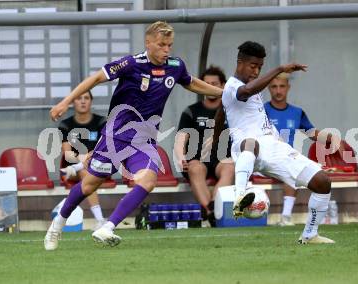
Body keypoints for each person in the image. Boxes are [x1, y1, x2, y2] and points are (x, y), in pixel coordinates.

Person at [44, 21, 223, 250]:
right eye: (161, 45)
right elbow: (95, 79)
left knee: (148, 180)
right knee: (89, 186)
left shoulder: (175, 67)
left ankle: (107, 227)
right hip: (115, 136)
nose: (166, 50)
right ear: (148, 43)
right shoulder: (130, 63)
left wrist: (225, 93)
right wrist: (65, 102)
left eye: (169, 45)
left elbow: (192, 83)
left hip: (144, 139)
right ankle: (57, 225)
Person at [218, 41, 334, 244]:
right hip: (246, 148)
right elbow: (243, 93)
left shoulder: (245, 90)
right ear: (240, 63)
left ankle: (310, 234)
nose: (256, 71)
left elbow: (222, 108)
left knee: (322, 182)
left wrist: (216, 133)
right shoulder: (233, 86)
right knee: (251, 143)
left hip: (273, 146)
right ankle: (240, 197)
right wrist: (280, 69)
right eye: (253, 66)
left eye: (260, 67)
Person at [264, 73, 341, 226]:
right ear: (268, 89)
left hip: (285, 159)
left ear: (288, 88)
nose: (278, 91)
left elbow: (312, 133)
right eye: (274, 87)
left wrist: (334, 139)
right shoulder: (262, 110)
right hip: (264, 158)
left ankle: (285, 218)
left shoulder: (297, 112)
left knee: (294, 169)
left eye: (282, 86)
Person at [175, 66, 234, 227]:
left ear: (223, 86)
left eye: (214, 83)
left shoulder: (231, 110)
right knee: (195, 168)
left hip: (223, 158)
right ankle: (211, 214)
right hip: (198, 158)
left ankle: (214, 209)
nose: (209, 87)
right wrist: (180, 157)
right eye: (206, 84)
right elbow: (181, 139)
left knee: (229, 168)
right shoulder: (191, 111)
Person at [58, 90, 107, 230]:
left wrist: (87, 160)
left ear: (91, 101)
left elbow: (105, 150)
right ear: (73, 102)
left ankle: (100, 220)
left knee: (87, 170)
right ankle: (100, 220)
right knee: (85, 171)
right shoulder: (65, 125)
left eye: (86, 98)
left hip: (99, 166)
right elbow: (68, 155)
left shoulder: (101, 122)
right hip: (71, 171)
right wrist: (83, 159)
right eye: (79, 98)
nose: (83, 101)